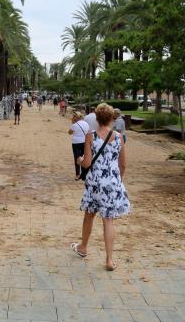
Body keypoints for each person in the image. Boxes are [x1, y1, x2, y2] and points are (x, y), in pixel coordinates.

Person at [72, 103, 130, 271]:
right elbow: (123, 164)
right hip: (112, 182)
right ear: (112, 118)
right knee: (108, 220)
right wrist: (118, 181)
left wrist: (79, 161)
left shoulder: (91, 136)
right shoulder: (119, 137)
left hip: (95, 183)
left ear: (97, 119)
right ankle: (110, 260)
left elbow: (87, 163)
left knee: (89, 215)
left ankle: (83, 247)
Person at [68, 111, 90, 180]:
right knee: (84, 157)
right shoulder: (86, 123)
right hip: (84, 142)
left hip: (76, 143)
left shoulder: (74, 125)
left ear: (75, 117)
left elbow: (69, 132)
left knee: (77, 158)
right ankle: (84, 174)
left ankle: (78, 174)